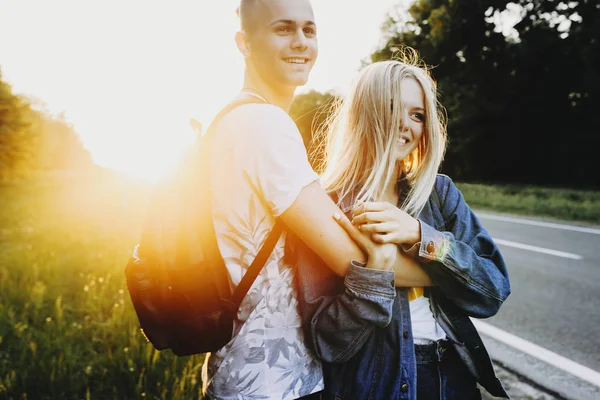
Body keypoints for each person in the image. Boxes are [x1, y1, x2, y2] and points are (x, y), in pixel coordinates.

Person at [201, 2, 432, 399]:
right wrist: (446, 274)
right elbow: (357, 260)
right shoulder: (263, 125)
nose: (301, 42)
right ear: (244, 43)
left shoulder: (230, 118)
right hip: (269, 381)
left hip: (243, 369)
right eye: (283, 29)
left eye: (309, 30)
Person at [298, 56, 511, 399]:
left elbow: (492, 290)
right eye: (393, 107)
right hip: (376, 383)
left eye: (418, 115)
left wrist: (419, 235)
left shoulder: (439, 194)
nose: (406, 125)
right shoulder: (326, 206)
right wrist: (374, 274)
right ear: (364, 111)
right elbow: (327, 343)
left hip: (452, 377)